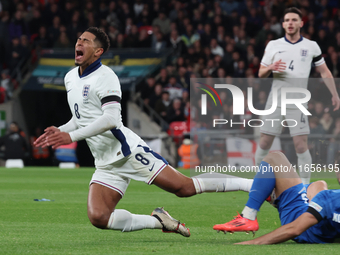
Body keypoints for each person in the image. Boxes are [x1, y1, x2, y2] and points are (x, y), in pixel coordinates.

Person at [34, 27, 253, 237]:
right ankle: (159, 221)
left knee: (184, 188)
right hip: (105, 161)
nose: (79, 43)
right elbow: (82, 117)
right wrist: (62, 129)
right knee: (99, 217)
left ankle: (253, 185)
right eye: (79, 39)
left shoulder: (106, 77)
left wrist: (70, 137)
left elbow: (111, 119)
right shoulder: (70, 77)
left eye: (86, 41)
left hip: (127, 152)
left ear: (98, 51)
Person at [255, 7, 340, 185]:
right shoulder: (273, 45)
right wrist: (270, 68)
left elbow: (325, 72)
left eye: (294, 20)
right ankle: (259, 182)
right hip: (276, 101)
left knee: (301, 145)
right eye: (287, 20)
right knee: (264, 143)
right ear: (283, 24)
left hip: (298, 102)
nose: (290, 23)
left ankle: (305, 188)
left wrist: (335, 94)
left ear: (301, 23)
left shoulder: (311, 46)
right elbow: (260, 73)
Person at [214, 151, 340, 244]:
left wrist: (250, 243)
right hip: (319, 224)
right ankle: (271, 192)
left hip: (297, 218)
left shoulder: (328, 198)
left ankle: (248, 216)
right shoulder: (329, 199)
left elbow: (294, 229)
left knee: (275, 157)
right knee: (319, 184)